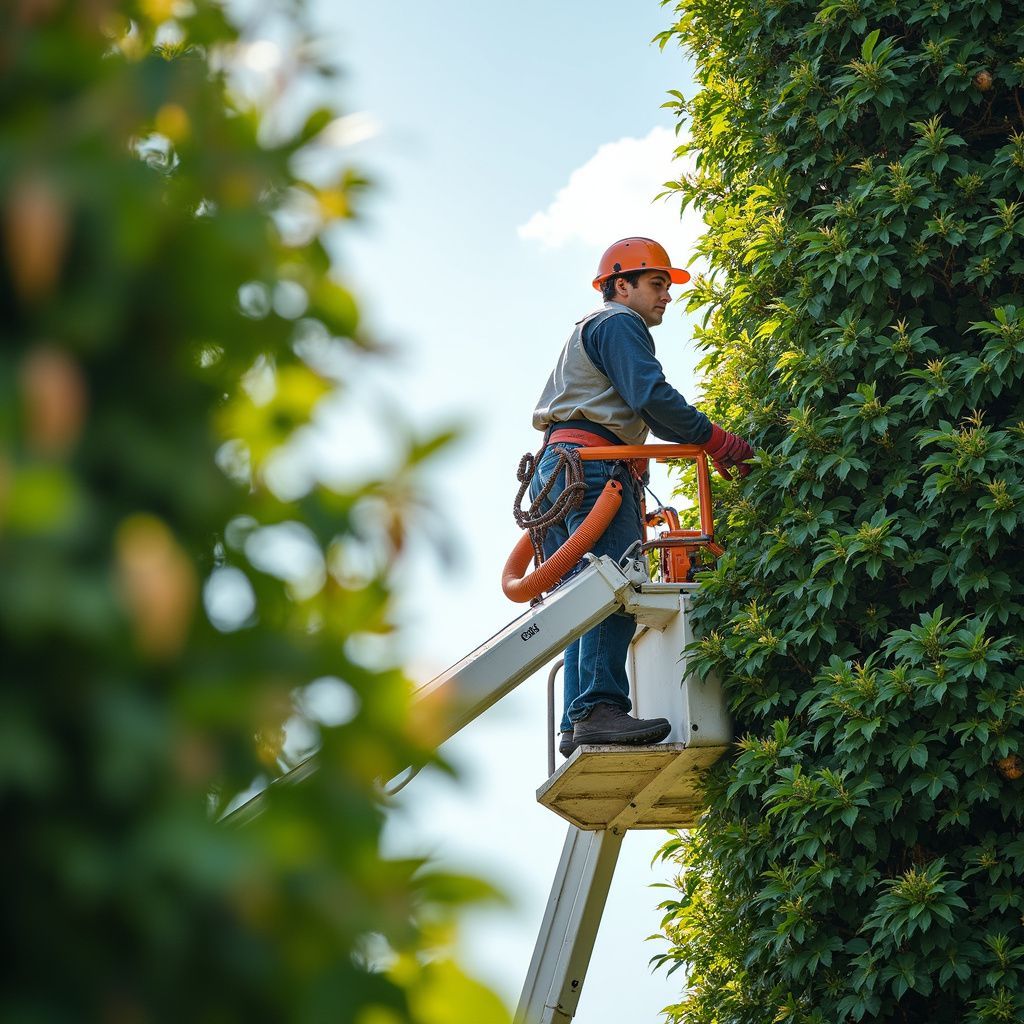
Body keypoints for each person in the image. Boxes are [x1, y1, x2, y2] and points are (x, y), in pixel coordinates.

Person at [529, 237, 752, 757]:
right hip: (590, 471)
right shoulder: (617, 322)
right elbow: (652, 397)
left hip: (562, 471)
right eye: (656, 283)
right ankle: (600, 708)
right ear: (620, 285)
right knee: (615, 584)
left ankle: (579, 717)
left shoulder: (589, 330)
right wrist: (718, 441)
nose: (666, 296)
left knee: (581, 597)